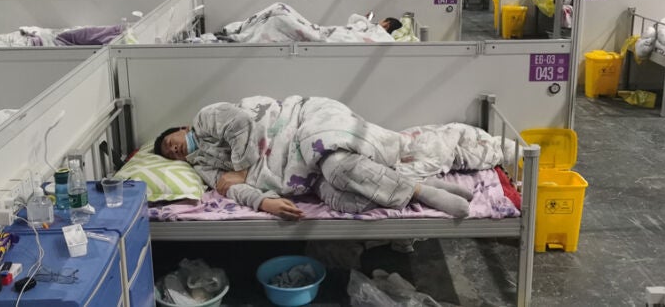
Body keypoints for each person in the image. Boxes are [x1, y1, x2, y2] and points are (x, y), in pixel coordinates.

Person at [154, 96, 483, 220]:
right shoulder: (203, 166)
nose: (174, 149)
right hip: (298, 174)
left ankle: (423, 192)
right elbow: (229, 188)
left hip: (300, 123)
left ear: (182, 129)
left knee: (338, 168)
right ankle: (416, 182)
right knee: (346, 201)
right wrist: (264, 202)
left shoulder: (205, 119)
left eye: (171, 142)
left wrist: (240, 170)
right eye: (170, 154)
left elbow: (241, 125)